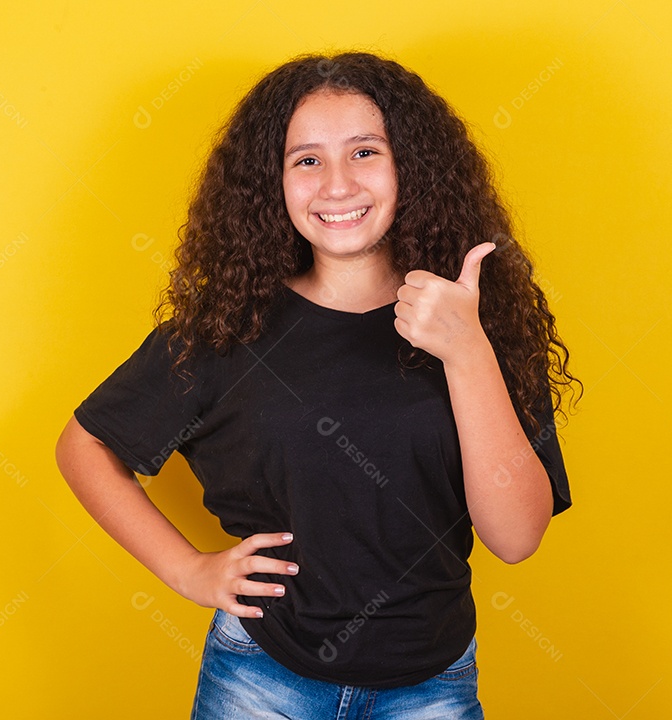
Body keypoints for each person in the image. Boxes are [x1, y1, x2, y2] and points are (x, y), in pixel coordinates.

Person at [56, 50, 582, 719]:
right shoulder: (228, 325)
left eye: (365, 152)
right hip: (259, 676)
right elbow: (85, 446)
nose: (337, 184)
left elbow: (515, 538)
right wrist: (188, 570)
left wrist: (467, 351)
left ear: (411, 168)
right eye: (306, 160)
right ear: (271, 182)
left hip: (431, 687)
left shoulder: (476, 320)